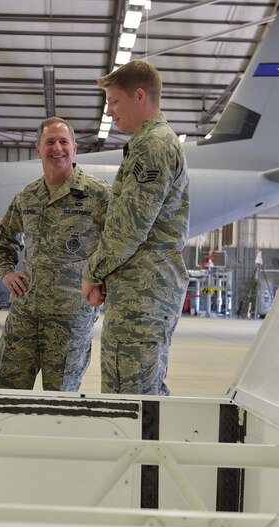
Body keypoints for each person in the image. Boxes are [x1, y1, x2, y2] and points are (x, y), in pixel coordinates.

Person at [81, 59, 190, 396]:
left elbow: (129, 226)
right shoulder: (149, 144)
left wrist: (92, 273)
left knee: (136, 399)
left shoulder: (152, 146)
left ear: (139, 95)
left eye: (114, 101)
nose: (111, 112)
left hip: (144, 293)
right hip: (138, 290)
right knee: (132, 395)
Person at [0, 117, 110, 391]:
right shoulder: (28, 196)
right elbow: (3, 238)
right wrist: (6, 272)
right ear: (38, 149)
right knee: (6, 398)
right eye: (50, 142)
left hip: (70, 321)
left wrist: (103, 284)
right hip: (25, 316)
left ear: (75, 148)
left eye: (63, 142)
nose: (57, 148)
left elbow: (117, 245)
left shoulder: (98, 195)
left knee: (59, 406)